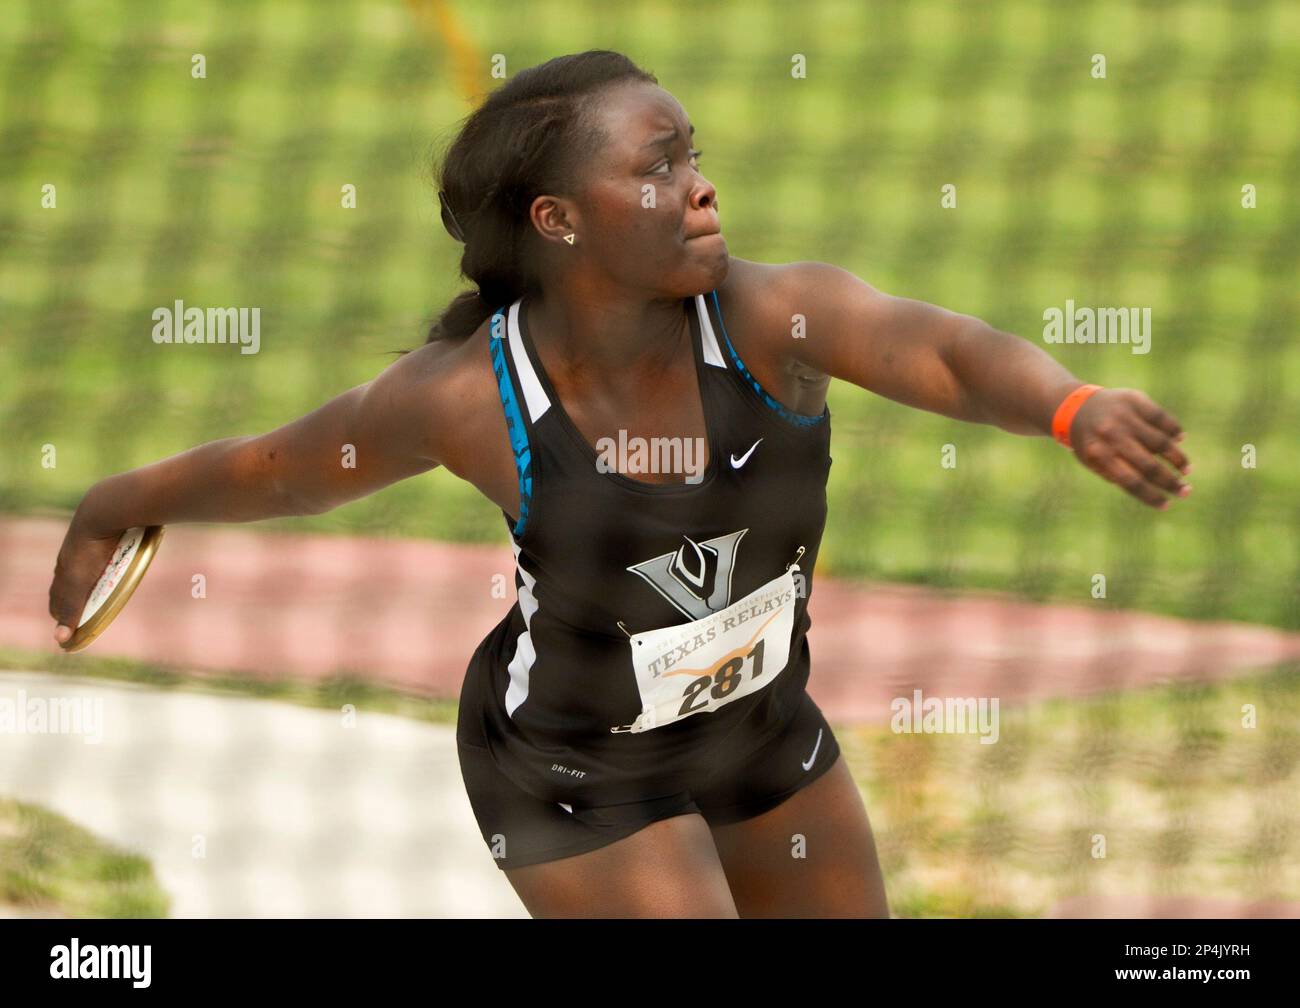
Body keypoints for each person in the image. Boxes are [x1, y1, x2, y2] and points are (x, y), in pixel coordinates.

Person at [48, 49, 1192, 919]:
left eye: (690, 153)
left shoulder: (770, 319)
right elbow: (284, 474)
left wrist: (1068, 405)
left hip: (759, 731)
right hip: (569, 772)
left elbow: (939, 347)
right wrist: (116, 502)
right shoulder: (466, 397)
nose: (700, 188)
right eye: (657, 168)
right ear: (558, 222)